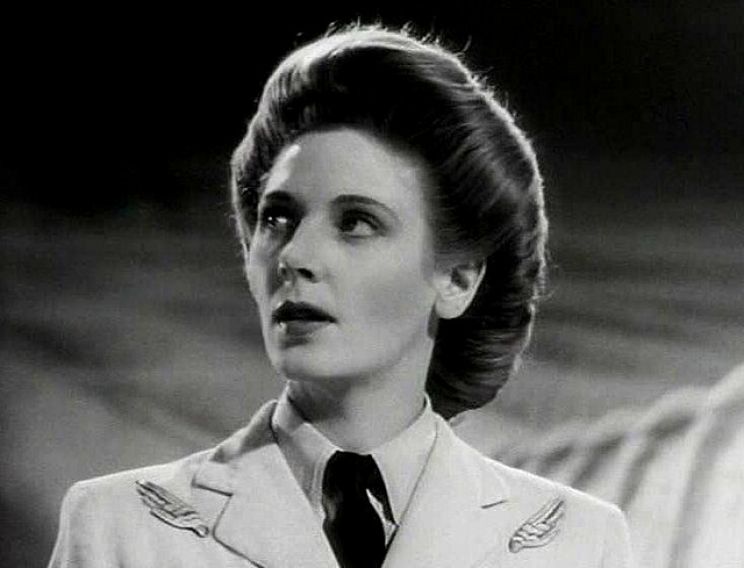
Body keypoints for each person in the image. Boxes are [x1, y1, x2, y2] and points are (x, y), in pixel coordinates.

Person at [48, 24, 633, 568]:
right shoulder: (119, 529)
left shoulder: (577, 544)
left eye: (356, 222)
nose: (294, 256)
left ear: (457, 280)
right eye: (277, 218)